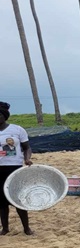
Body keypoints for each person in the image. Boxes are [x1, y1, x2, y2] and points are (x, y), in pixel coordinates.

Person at [0, 101, 33, 236]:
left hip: (14, 167)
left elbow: (27, 147)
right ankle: (5, 228)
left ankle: (26, 228)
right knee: (1, 201)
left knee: (18, 198)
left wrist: (27, 158)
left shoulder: (17, 130)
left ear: (4, 116)